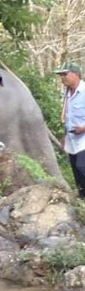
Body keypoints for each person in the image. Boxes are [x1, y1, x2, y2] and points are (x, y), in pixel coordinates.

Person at [56, 61, 85, 199]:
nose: (62, 78)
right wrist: (65, 136)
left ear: (76, 74)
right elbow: (68, 117)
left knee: (82, 167)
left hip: (84, 139)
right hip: (72, 140)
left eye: (65, 74)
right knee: (77, 173)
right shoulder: (67, 94)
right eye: (61, 75)